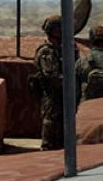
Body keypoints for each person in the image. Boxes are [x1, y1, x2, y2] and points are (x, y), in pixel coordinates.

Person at [30, 14, 78, 150]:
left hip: (65, 98)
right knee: (50, 135)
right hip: (53, 99)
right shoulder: (47, 52)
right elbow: (53, 78)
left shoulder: (64, 49)